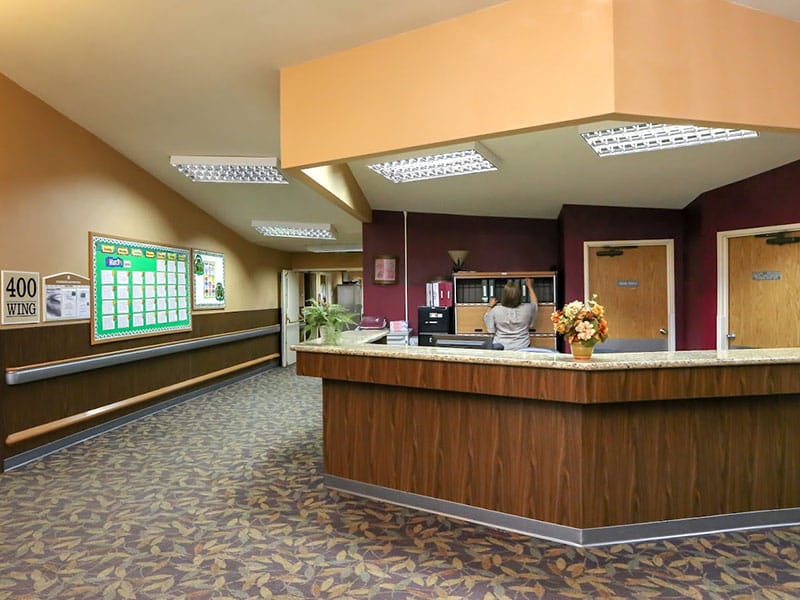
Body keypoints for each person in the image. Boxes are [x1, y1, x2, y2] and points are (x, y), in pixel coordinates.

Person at [483, 278, 538, 351]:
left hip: (501, 347)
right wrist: (530, 287)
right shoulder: (527, 308)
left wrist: (490, 306)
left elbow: (490, 329)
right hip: (522, 347)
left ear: (504, 295)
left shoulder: (496, 310)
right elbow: (535, 304)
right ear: (520, 295)